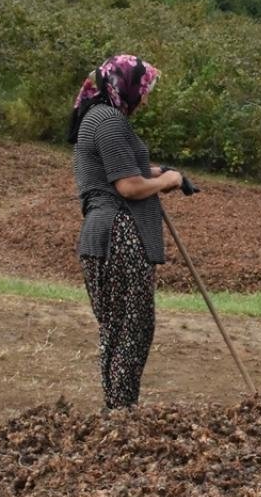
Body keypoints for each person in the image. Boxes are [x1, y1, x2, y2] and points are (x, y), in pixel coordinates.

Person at [68, 54, 184, 409]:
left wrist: (159, 171)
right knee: (133, 330)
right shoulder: (109, 121)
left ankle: (116, 409)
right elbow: (129, 186)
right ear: (126, 84)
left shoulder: (96, 118)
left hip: (101, 235)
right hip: (120, 234)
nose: (146, 97)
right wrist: (166, 180)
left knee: (116, 329)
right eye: (145, 89)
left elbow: (123, 168)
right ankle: (122, 413)